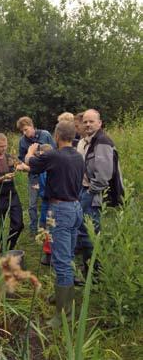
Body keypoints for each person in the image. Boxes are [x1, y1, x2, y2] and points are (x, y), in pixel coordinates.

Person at [25, 121, 84, 328]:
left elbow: (31, 164)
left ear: (57, 136)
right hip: (76, 208)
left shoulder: (53, 155)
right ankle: (62, 297)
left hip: (60, 210)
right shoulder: (78, 155)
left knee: (60, 260)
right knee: (67, 254)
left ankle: (64, 314)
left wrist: (31, 151)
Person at [77, 109, 124, 277]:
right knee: (86, 228)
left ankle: (92, 273)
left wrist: (90, 191)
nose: (88, 124)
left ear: (100, 123)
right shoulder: (88, 141)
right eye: (85, 121)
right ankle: (89, 267)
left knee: (90, 230)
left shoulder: (102, 141)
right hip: (86, 189)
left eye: (92, 121)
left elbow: (104, 175)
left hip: (94, 192)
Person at [16, 116, 56, 235]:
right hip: (33, 174)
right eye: (22, 131)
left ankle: (48, 227)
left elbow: (55, 151)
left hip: (48, 174)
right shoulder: (22, 141)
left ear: (32, 126)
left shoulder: (45, 134)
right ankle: (33, 228)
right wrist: (22, 165)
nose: (25, 133)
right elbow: (21, 158)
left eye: (26, 129)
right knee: (32, 204)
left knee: (48, 201)